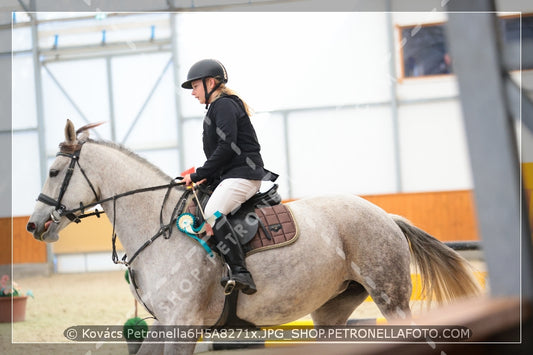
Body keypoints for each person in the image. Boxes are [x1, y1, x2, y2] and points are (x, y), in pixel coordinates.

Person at [181, 59, 278, 295]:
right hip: (233, 174)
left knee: (212, 214)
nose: (193, 93)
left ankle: (241, 272)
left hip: (243, 175)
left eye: (195, 86)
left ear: (210, 82)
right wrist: (207, 178)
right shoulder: (218, 107)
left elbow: (227, 147)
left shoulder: (223, 106)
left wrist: (199, 174)